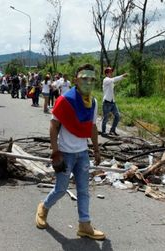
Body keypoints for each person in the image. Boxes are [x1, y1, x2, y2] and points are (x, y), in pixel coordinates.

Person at [35, 64, 105, 240]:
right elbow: (53, 125)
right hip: (66, 153)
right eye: (84, 78)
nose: (88, 82)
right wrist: (55, 151)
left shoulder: (93, 102)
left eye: (92, 79)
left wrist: (96, 151)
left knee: (83, 190)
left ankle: (84, 225)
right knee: (60, 189)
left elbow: (93, 128)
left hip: (82, 154)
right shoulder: (65, 100)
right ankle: (43, 208)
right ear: (76, 80)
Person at [101, 67, 127, 136]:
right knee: (105, 118)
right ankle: (103, 132)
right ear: (106, 73)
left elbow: (113, 82)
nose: (111, 73)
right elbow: (114, 79)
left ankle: (112, 130)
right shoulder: (106, 80)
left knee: (117, 116)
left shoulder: (110, 81)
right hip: (106, 102)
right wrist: (122, 76)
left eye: (111, 72)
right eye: (110, 72)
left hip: (112, 102)